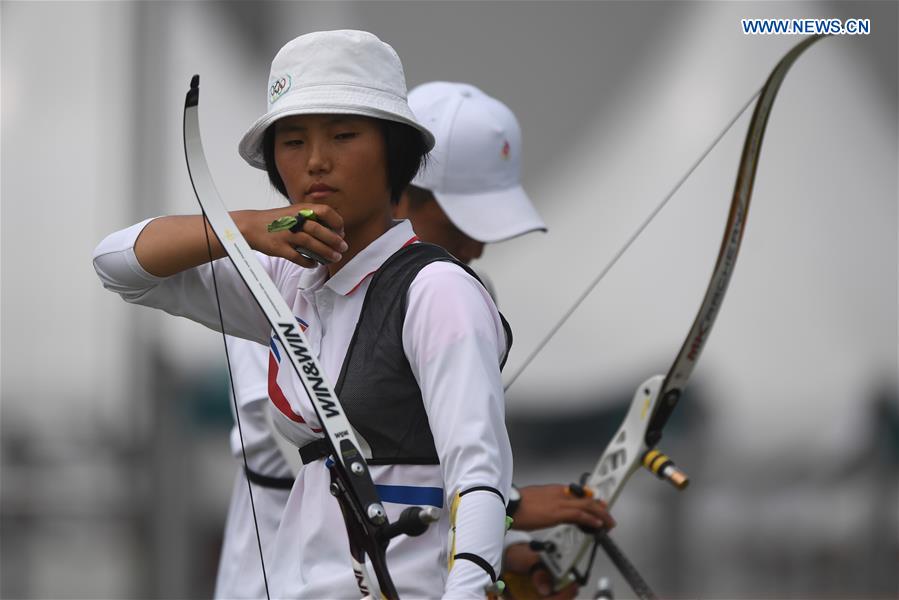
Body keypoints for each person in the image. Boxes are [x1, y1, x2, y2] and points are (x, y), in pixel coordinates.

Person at [94, 30, 512, 598]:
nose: (316, 161)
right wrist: (243, 227)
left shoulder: (437, 289)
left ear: (395, 152)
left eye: (344, 135)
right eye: (292, 142)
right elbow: (120, 265)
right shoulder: (288, 280)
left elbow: (479, 473)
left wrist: (470, 588)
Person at [399, 81, 616, 598]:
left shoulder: (460, 291)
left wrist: (500, 554)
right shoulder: (305, 288)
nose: (478, 244)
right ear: (397, 192)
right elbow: (336, 474)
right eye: (459, 221)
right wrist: (510, 507)